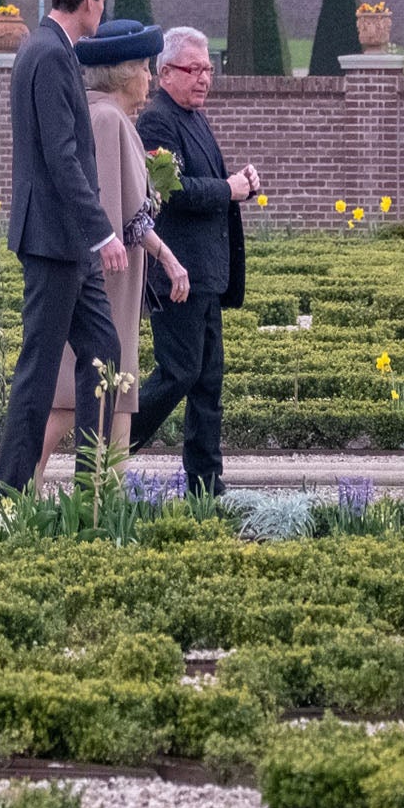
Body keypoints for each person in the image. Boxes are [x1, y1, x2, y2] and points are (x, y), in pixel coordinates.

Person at [0, 0, 128, 494]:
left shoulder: (47, 50)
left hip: (67, 245)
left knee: (103, 352)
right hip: (55, 242)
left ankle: (92, 490)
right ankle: (6, 498)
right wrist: (103, 230)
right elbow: (61, 156)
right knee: (38, 373)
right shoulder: (49, 55)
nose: (103, 8)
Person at [39, 18, 190, 466]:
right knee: (73, 397)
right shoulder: (106, 118)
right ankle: (18, 493)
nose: (149, 78)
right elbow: (111, 216)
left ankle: (103, 505)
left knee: (115, 395)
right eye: (145, 68)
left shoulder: (109, 116)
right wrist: (169, 257)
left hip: (111, 283)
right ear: (125, 72)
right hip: (106, 284)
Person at [128, 25, 257, 493]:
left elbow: (204, 180)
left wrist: (238, 181)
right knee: (180, 372)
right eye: (194, 69)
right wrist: (229, 189)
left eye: (208, 69)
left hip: (206, 274)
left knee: (207, 383)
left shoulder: (194, 116)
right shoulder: (156, 122)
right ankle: (115, 440)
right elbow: (169, 190)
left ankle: (207, 483)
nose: (204, 78)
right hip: (176, 276)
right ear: (165, 73)